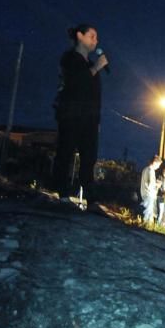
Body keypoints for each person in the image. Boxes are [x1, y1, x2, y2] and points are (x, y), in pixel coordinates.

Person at [52, 24, 106, 198]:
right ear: (79, 36)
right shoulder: (69, 58)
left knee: (89, 158)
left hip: (89, 118)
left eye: (96, 37)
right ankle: (61, 192)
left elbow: (94, 94)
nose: (95, 41)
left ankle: (90, 198)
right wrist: (96, 68)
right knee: (65, 153)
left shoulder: (90, 63)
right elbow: (76, 83)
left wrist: (97, 120)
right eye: (92, 36)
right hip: (71, 115)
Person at [140, 155, 162, 223]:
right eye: (158, 165)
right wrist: (157, 184)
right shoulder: (151, 171)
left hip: (144, 192)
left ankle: (145, 224)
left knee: (147, 210)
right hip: (149, 194)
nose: (158, 167)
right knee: (148, 212)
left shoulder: (145, 169)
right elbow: (151, 184)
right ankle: (146, 226)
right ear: (155, 163)